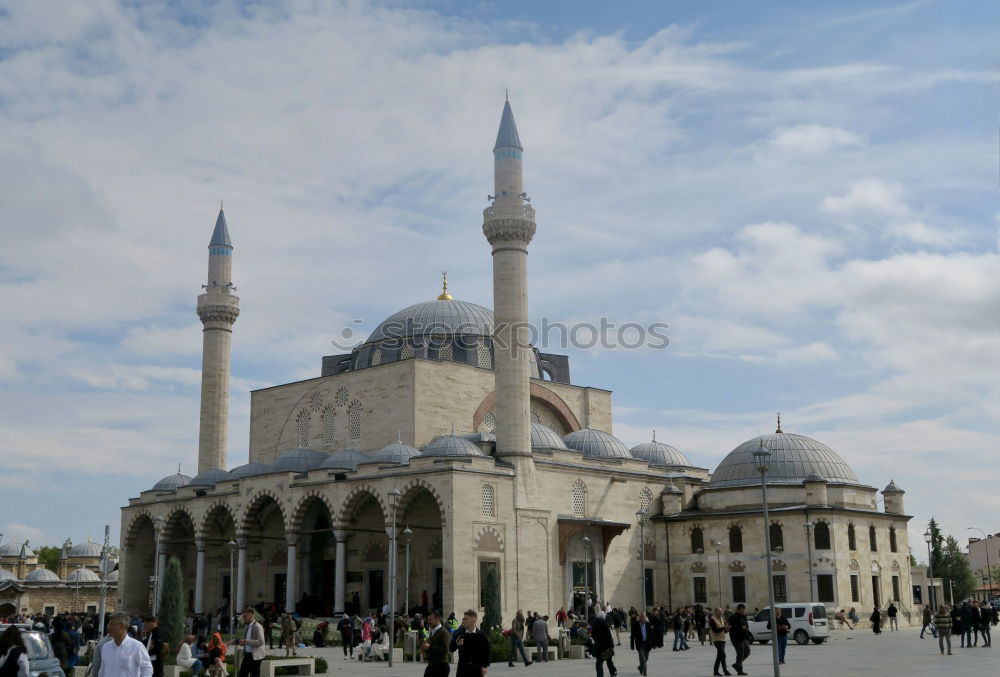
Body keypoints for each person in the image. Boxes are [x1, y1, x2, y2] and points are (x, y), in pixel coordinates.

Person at [99, 612, 154, 677]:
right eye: (108, 625)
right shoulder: (106, 647)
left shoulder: (137, 646)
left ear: (122, 626)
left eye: (112, 625)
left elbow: (147, 669)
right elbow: (102, 671)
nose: (108, 628)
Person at [450, 610, 490, 677]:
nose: (463, 621)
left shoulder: (481, 635)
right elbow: (451, 648)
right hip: (462, 671)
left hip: (476, 670)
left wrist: (484, 666)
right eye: (463, 619)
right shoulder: (460, 634)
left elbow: (487, 652)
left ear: (473, 620)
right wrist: (456, 644)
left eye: (466, 619)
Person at [421, 612, 451, 677]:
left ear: (437, 619)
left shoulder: (444, 632)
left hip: (441, 667)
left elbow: (445, 650)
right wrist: (425, 652)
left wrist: (429, 647)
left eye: (430, 620)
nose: (428, 622)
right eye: (428, 620)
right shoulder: (432, 631)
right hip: (431, 666)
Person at [237, 608, 265, 677]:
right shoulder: (247, 626)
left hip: (255, 656)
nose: (243, 619)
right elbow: (245, 640)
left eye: (245, 617)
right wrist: (240, 642)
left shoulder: (257, 626)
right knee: (242, 674)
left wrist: (246, 641)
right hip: (247, 655)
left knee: (254, 675)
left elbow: (261, 642)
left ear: (251, 615)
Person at [591, 611, 616, 677]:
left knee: (599, 662)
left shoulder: (594, 624)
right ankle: (613, 672)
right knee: (609, 660)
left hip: (598, 646)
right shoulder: (605, 624)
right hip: (606, 645)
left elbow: (592, 634)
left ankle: (600, 675)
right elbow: (609, 635)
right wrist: (611, 645)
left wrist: (596, 640)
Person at [728, 604, 750, 677]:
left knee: (747, 652)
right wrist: (741, 628)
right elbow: (731, 627)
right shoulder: (733, 617)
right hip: (736, 638)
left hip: (744, 637)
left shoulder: (744, 616)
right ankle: (740, 670)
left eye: (744, 610)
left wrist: (746, 629)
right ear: (738, 609)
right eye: (742, 610)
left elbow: (746, 625)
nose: (743, 611)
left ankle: (737, 664)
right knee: (740, 653)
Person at [708, 607, 730, 677]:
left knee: (719, 656)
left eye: (721, 611)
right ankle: (725, 671)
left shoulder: (722, 619)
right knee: (723, 655)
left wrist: (727, 628)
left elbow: (725, 630)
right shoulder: (712, 620)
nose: (721, 613)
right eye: (720, 611)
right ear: (716, 612)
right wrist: (724, 628)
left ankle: (715, 671)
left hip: (723, 639)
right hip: (716, 640)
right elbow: (715, 630)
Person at [630, 611, 652, 677]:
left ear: (645, 617)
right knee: (643, 658)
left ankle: (640, 667)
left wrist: (653, 643)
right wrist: (632, 645)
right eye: (641, 617)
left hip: (647, 644)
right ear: (639, 617)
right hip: (640, 644)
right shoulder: (635, 624)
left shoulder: (648, 624)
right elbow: (632, 635)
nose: (642, 618)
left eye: (644, 617)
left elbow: (651, 635)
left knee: (646, 658)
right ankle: (644, 673)